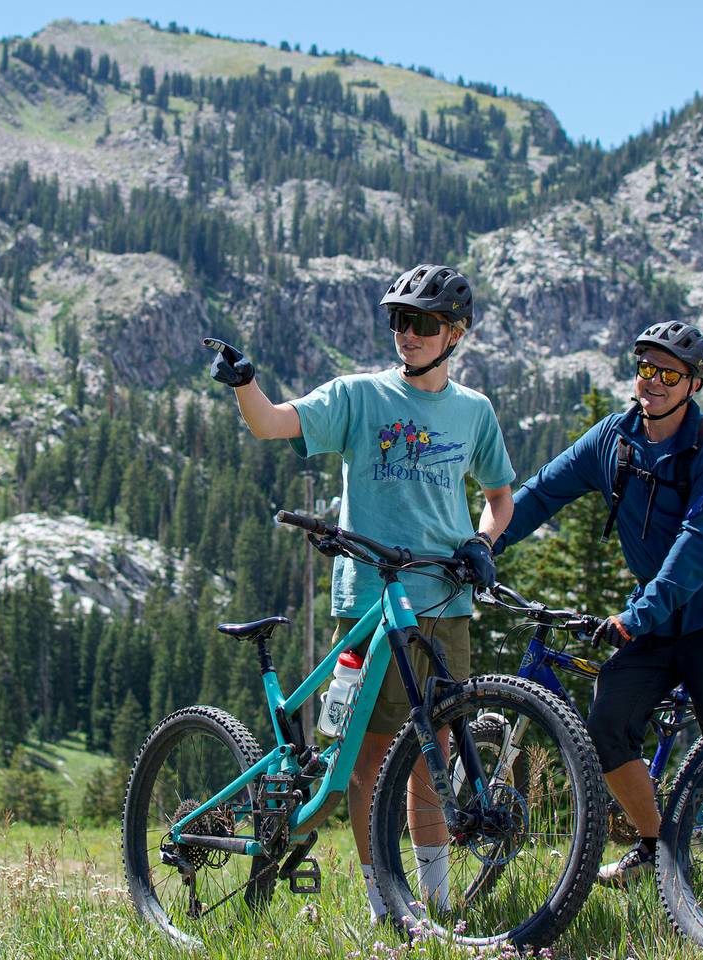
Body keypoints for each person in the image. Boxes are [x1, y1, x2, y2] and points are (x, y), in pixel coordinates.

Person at [206, 263, 516, 921]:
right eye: (399, 320)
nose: (407, 333)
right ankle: (385, 906)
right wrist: (245, 384)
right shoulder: (358, 395)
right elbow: (272, 423)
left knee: (433, 752)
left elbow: (499, 498)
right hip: (367, 603)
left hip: (445, 603)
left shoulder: (474, 412)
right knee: (366, 756)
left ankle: (432, 903)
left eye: (423, 323)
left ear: (455, 333)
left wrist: (483, 543)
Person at [491, 320, 703, 888]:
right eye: (646, 369)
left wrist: (635, 618)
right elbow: (542, 492)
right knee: (607, 726)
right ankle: (658, 848)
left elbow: (696, 544)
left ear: (694, 384)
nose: (654, 382)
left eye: (670, 373)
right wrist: (482, 544)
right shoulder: (613, 438)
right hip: (654, 617)